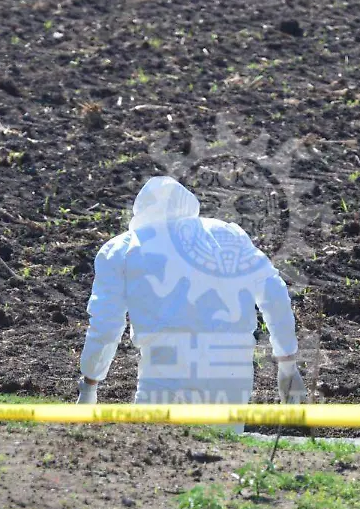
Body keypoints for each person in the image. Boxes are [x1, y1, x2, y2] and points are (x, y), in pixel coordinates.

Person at [75, 176, 306, 424]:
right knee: (223, 455)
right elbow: (273, 291)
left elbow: (106, 323)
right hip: (231, 369)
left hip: (165, 372)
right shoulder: (229, 235)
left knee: (154, 453)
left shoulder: (121, 249)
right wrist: (287, 362)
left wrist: (90, 384)